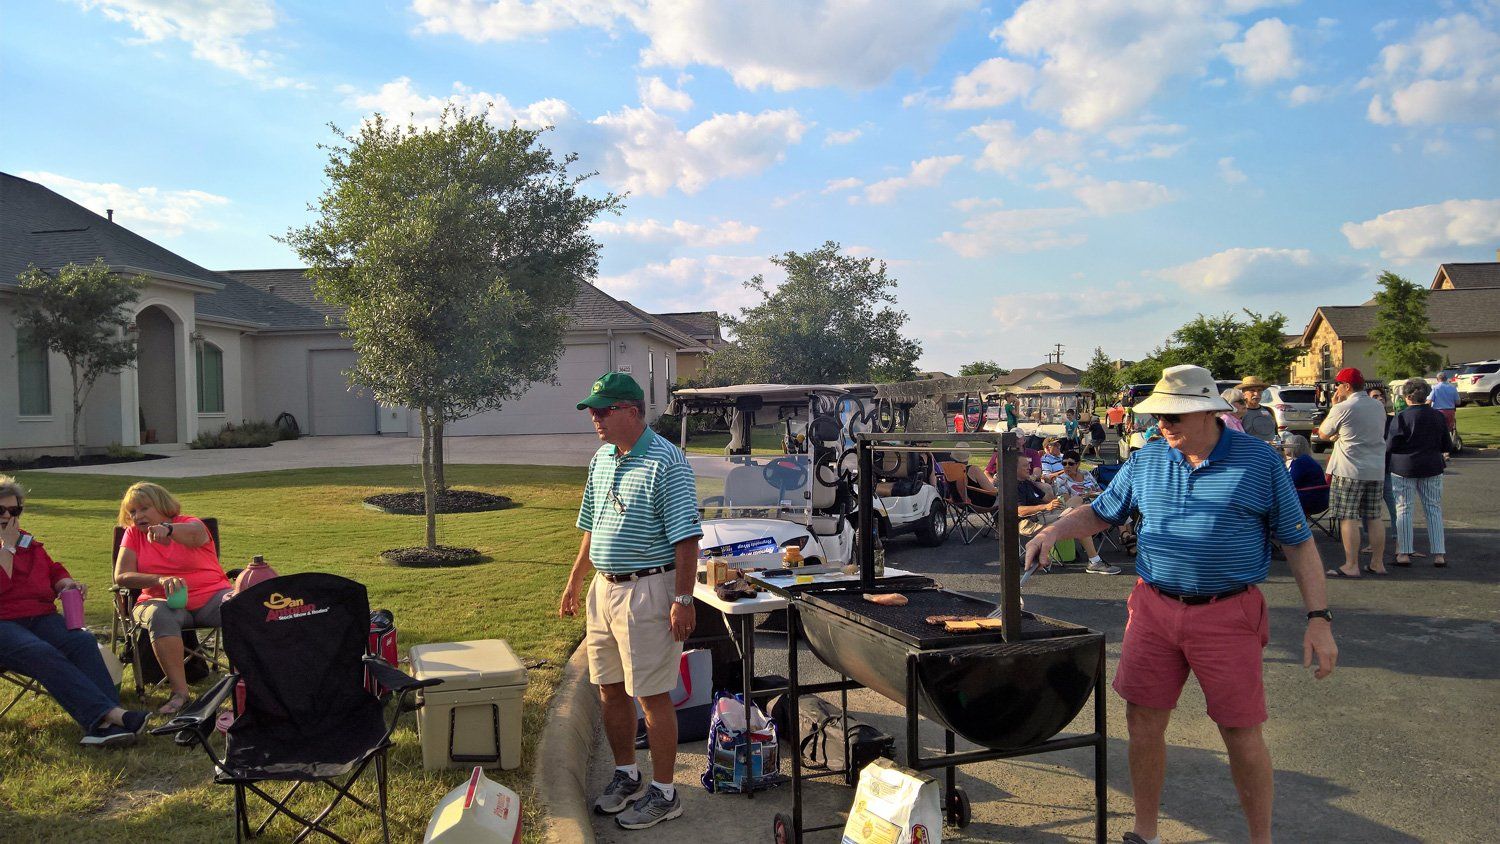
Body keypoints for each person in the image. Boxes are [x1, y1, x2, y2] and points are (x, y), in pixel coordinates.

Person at [1024, 364, 1336, 844]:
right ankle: (1145, 834)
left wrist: (1319, 619)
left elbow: (1298, 543)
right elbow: (1103, 512)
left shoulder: (1259, 462)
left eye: (1174, 417)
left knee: (1240, 731)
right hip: (1152, 607)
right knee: (1142, 720)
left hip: (1228, 611)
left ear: (1209, 412)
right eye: (1159, 416)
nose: (1162, 425)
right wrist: (1053, 530)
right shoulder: (1147, 460)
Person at [559, 372, 702, 830]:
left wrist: (684, 598)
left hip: (648, 591)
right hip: (605, 588)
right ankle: (626, 774)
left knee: (652, 694)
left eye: (605, 410)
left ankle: (665, 792)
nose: (596, 419)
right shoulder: (602, 459)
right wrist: (576, 580)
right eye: (593, 411)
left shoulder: (667, 461)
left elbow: (686, 540)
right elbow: (591, 526)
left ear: (634, 412)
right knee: (608, 686)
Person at [1, 476, 149, 745]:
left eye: (15, 510)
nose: (8, 517)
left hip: (38, 616)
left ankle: (108, 722)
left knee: (81, 641)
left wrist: (66, 583)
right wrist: (6, 547)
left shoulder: (25, 541)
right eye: (1, 511)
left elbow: (51, 569)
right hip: (3, 624)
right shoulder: (12, 541)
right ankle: (109, 718)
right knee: (40, 652)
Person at [113, 482, 232, 715]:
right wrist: (159, 580)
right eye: (132, 512)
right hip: (160, 600)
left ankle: (246, 681)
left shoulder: (191, 524)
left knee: (238, 605)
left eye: (144, 508)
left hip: (210, 597)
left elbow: (196, 536)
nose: (138, 516)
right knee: (160, 616)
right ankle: (180, 693)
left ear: (162, 505)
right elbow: (122, 576)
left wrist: (167, 530)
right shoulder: (133, 535)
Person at [1319, 368, 1388, 578]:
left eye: (1338, 384)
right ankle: (1378, 563)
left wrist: (1334, 406)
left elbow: (1323, 433)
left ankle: (1351, 564)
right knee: (1374, 516)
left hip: (1349, 469)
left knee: (1348, 518)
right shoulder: (1377, 405)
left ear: (1347, 386)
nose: (1337, 388)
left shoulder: (1343, 407)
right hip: (1375, 467)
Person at [1386, 380, 1448, 568]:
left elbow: (1391, 445)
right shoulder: (1438, 416)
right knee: (1433, 509)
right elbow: (1446, 444)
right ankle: (1439, 554)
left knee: (1404, 509)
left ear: (1407, 397)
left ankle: (1404, 552)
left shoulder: (1402, 417)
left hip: (1404, 467)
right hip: (1432, 465)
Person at [1052, 452, 1120, 574]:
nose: (1067, 466)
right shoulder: (1061, 479)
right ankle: (1094, 561)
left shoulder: (1086, 474)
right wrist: (1085, 496)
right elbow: (1068, 501)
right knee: (1081, 516)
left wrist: (1095, 495)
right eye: (1064, 464)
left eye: (1071, 463)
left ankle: (1127, 537)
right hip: (1079, 508)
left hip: (1095, 502)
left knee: (1119, 506)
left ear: (1078, 464)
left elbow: (1099, 490)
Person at [1236, 376, 1278, 442]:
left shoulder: (1269, 410)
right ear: (1244, 393)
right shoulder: (1239, 413)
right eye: (1252, 390)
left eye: (1259, 390)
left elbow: (1276, 434)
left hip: (1270, 450)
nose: (1256, 394)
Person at [1429, 372, 1459, 452]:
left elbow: (1429, 401)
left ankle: (1438, 449)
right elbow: (1458, 402)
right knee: (1448, 431)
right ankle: (1446, 452)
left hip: (1438, 411)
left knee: (1438, 431)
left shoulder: (1435, 388)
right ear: (1446, 378)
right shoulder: (1452, 388)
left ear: (1437, 379)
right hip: (1450, 411)